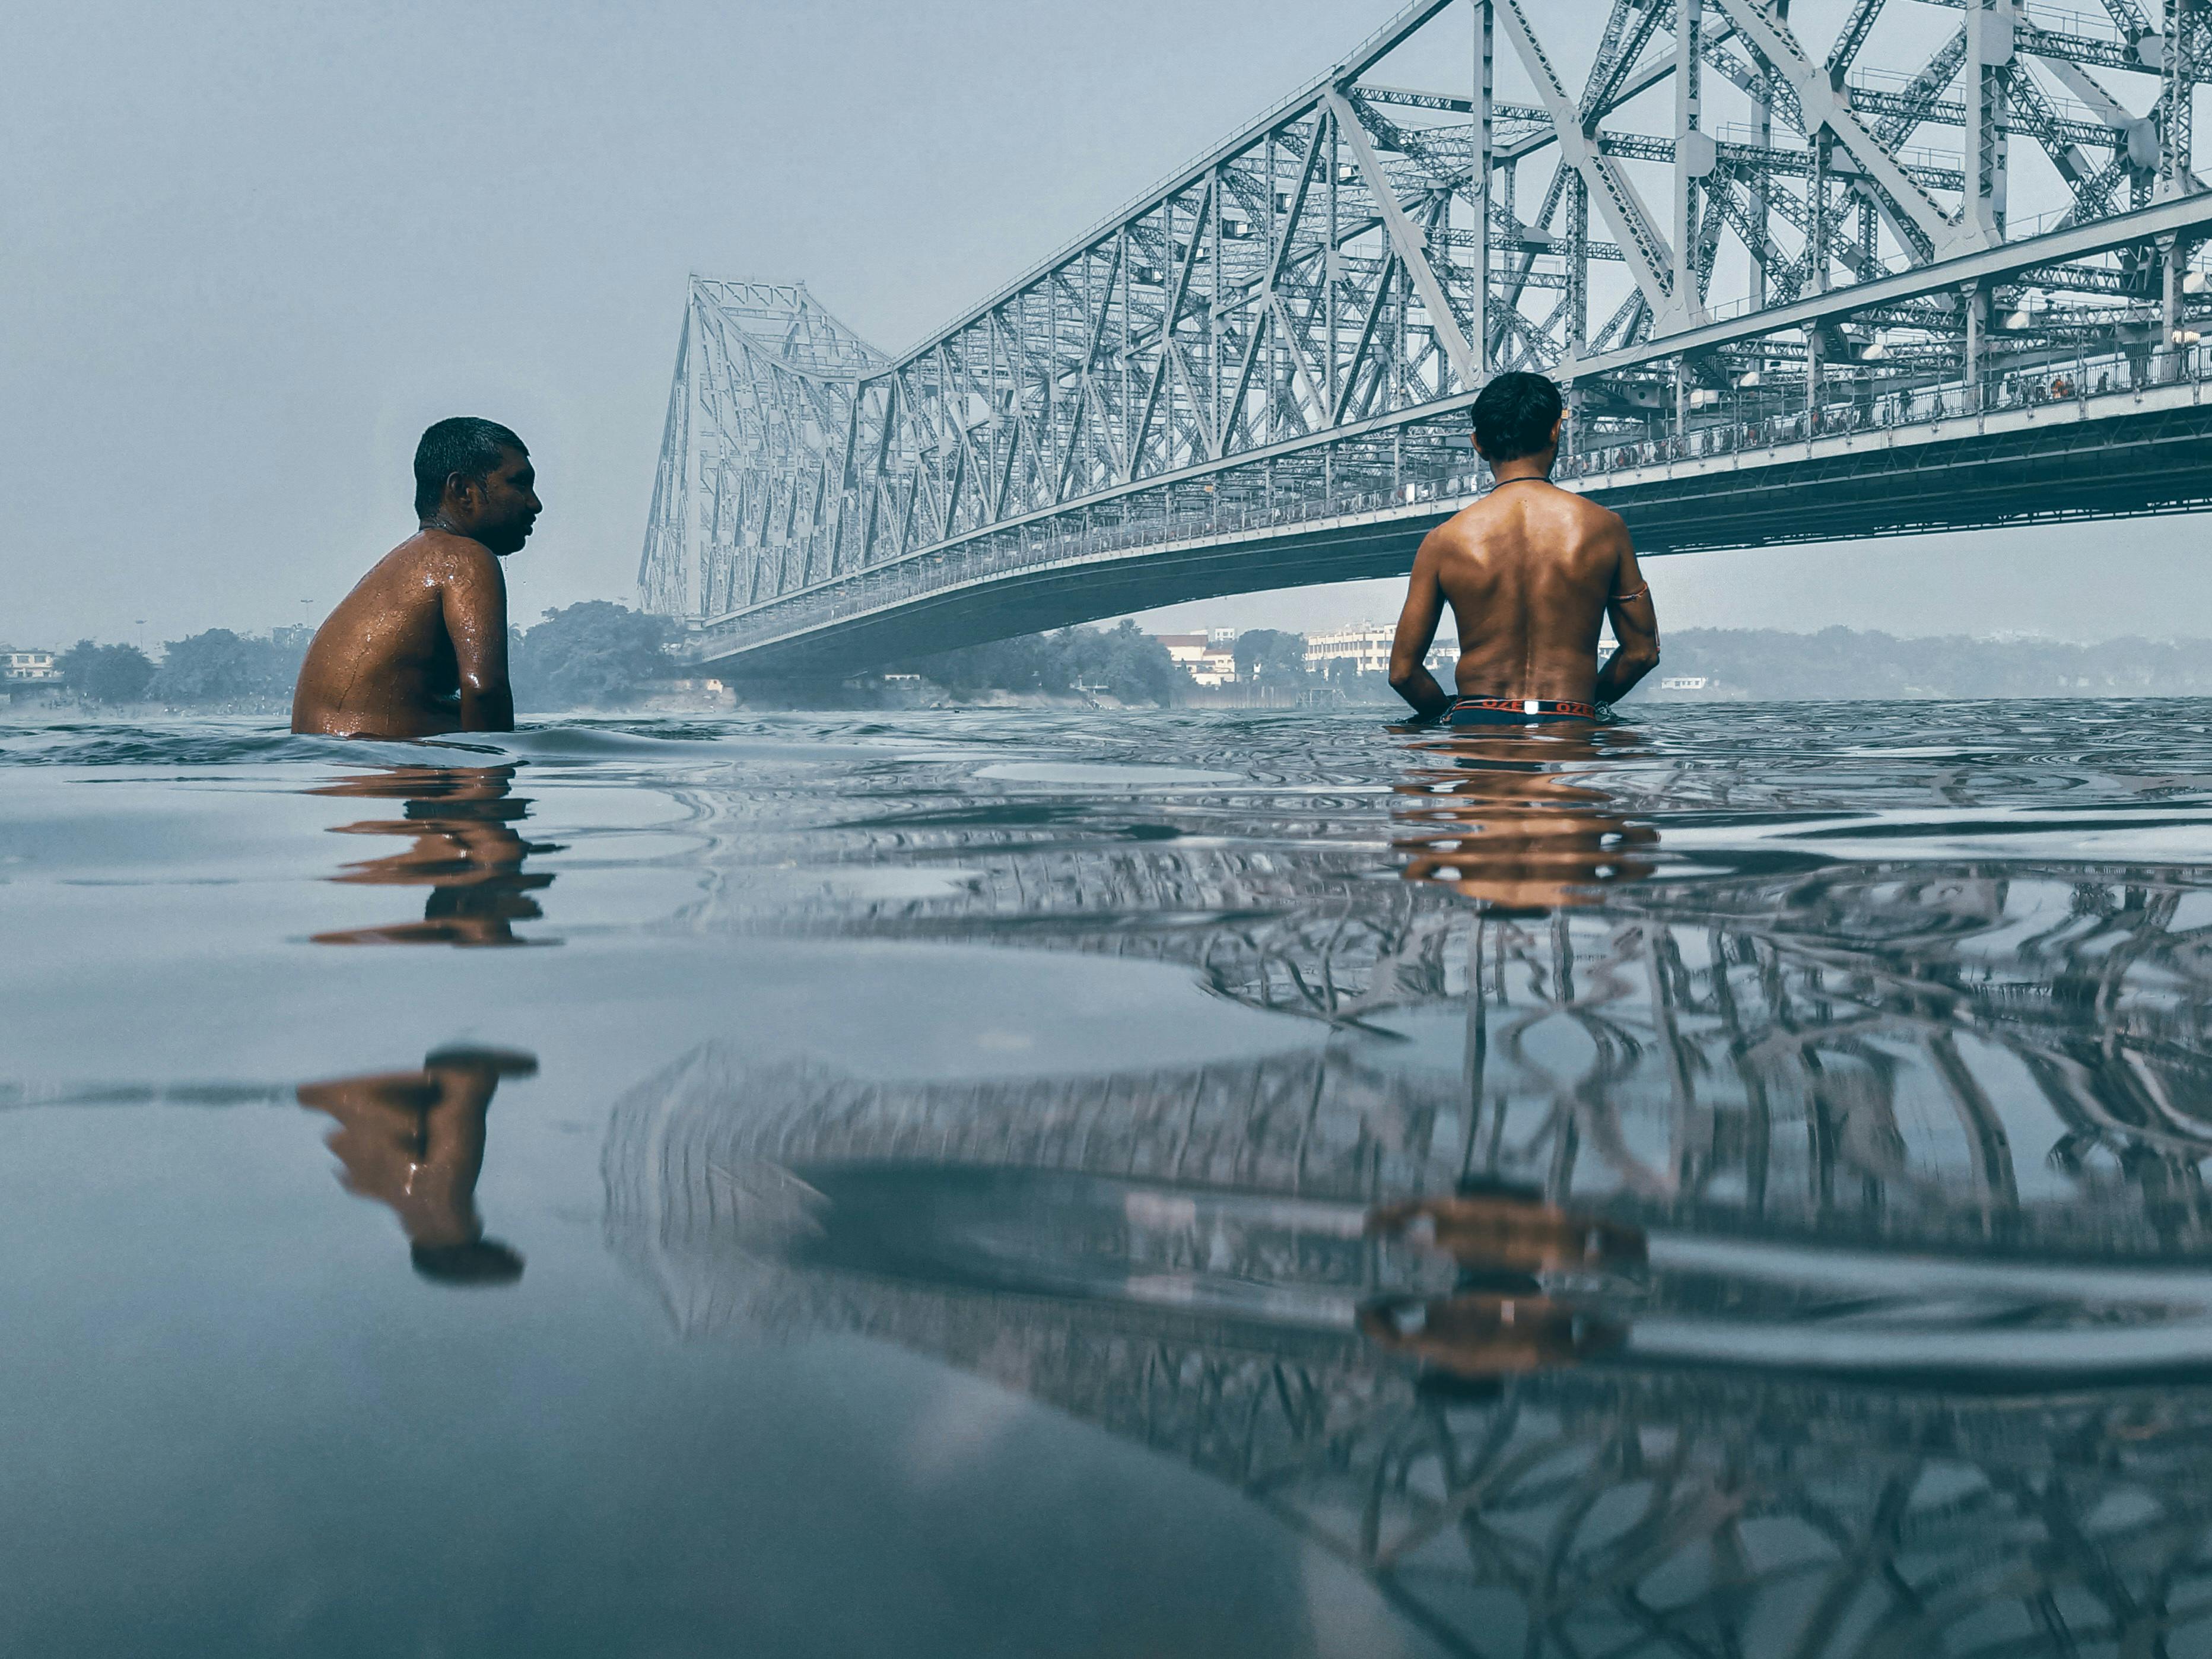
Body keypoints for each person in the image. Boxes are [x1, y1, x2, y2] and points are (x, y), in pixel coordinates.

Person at [1387, 371, 1660, 725]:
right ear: (1555, 431)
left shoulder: (1443, 541)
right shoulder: (1606, 528)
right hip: (1570, 723)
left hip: (1477, 723)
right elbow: (1642, 654)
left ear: (1477, 443)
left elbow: (1403, 673)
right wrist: (1586, 706)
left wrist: (1449, 715)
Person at [290, 418, 540, 738]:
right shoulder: (464, 558)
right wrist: (498, 765)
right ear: (463, 491)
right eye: (519, 484)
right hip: (381, 762)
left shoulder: (408, 563)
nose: (535, 503)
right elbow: (485, 691)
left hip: (332, 761)